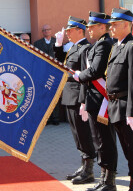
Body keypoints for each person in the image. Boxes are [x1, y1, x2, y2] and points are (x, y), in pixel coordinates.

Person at [73, 11, 117, 190]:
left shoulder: (104, 45)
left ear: (102, 27)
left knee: (104, 141)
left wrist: (78, 76)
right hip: (94, 100)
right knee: (99, 141)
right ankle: (104, 179)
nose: (89, 30)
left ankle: (109, 181)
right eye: (88, 27)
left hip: (101, 101)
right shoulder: (98, 44)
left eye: (92, 27)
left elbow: (96, 71)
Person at [106, 8, 133, 191]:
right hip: (115, 105)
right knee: (127, 148)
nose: (111, 28)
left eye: (115, 25)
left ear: (126, 25)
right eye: (111, 25)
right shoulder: (117, 46)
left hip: (127, 107)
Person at [53, 16, 96, 185]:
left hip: (78, 96)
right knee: (77, 134)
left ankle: (89, 170)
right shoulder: (73, 48)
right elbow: (62, 66)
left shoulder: (85, 48)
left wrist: (84, 100)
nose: (68, 34)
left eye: (70, 31)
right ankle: (83, 165)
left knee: (83, 134)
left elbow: (86, 76)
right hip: (70, 95)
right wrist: (57, 45)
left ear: (80, 30)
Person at [34, 24, 59, 125]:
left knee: (54, 95)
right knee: (43, 96)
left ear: (51, 30)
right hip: (42, 73)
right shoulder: (37, 43)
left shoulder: (57, 42)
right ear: (42, 32)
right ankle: (46, 119)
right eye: (44, 30)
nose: (46, 31)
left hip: (54, 72)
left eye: (48, 30)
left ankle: (56, 118)